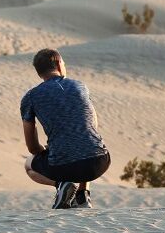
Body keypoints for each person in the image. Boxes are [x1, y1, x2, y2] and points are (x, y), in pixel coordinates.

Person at [20, 48, 111, 209]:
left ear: (39, 72)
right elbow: (91, 126)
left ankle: (62, 184)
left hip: (64, 166)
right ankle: (82, 196)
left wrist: (48, 149)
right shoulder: (80, 86)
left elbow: (32, 147)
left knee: (29, 164)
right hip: (100, 161)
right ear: (59, 64)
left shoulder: (31, 97)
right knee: (84, 142)